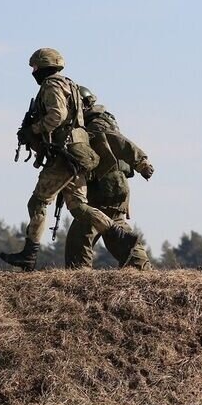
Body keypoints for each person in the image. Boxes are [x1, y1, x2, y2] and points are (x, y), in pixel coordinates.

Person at [0, 48, 139, 271]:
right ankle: (119, 235)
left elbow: (57, 115)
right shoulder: (70, 85)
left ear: (43, 67)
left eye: (35, 68)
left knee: (37, 202)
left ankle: (29, 254)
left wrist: (35, 129)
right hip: (79, 154)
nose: (33, 72)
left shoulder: (51, 85)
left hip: (65, 156)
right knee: (79, 207)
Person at [65, 86, 154, 270]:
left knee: (82, 232)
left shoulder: (96, 124)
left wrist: (141, 162)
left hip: (107, 186)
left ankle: (78, 275)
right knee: (115, 227)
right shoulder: (91, 123)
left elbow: (119, 142)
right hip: (111, 185)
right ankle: (141, 268)